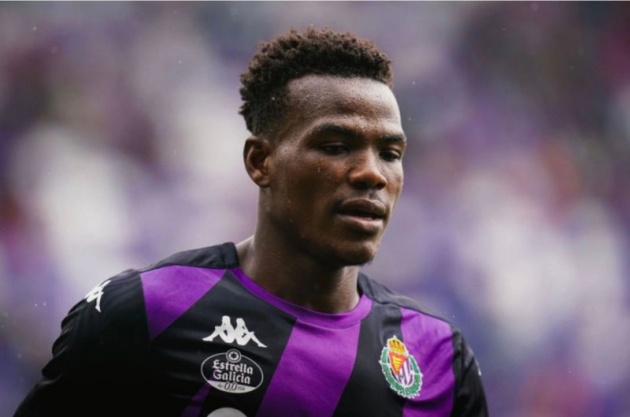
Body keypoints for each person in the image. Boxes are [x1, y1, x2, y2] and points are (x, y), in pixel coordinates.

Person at [14, 27, 489, 417]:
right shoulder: (147, 311)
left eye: (390, 153)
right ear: (260, 162)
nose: (372, 173)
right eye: (335, 146)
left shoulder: (438, 355)